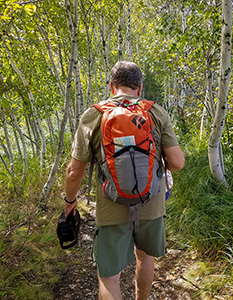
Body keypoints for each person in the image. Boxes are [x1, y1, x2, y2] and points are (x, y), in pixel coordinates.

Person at [63, 61, 185, 300]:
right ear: (139, 88)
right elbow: (178, 162)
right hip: (151, 201)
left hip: (111, 204)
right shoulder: (155, 112)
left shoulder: (94, 115)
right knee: (145, 257)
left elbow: (73, 171)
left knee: (110, 276)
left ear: (112, 86)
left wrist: (70, 203)